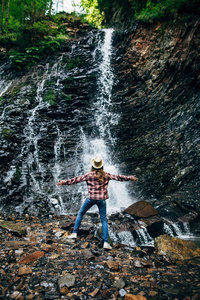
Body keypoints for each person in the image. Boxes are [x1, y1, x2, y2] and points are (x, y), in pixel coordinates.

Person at [57, 156, 138, 250]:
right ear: (101, 166)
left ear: (93, 166)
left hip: (91, 199)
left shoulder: (89, 175)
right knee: (104, 220)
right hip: (101, 200)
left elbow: (75, 180)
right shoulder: (106, 175)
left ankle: (74, 233)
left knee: (80, 213)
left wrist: (63, 182)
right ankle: (106, 242)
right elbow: (119, 177)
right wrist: (131, 178)